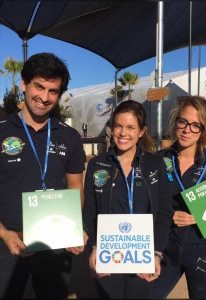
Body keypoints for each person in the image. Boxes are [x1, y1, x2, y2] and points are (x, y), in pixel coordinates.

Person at [0, 52, 87, 299]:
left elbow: (75, 188)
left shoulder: (69, 137)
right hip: (8, 241)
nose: (44, 97)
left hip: (54, 242)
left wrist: (73, 226)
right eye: (39, 87)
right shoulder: (2, 132)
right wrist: (4, 234)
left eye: (53, 91)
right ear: (24, 85)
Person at [83, 100, 173, 299]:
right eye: (118, 126)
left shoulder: (156, 164)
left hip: (142, 256)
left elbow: (164, 212)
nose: (123, 133)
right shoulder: (97, 165)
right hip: (108, 254)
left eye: (131, 127)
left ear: (141, 131)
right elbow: (89, 210)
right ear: (112, 128)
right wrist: (95, 248)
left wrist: (156, 253)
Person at [152, 96, 206, 299]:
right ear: (175, 121)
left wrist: (200, 216)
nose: (187, 130)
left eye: (196, 125)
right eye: (183, 122)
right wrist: (167, 216)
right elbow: (144, 204)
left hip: (205, 250)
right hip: (164, 248)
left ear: (204, 130)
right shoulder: (157, 161)